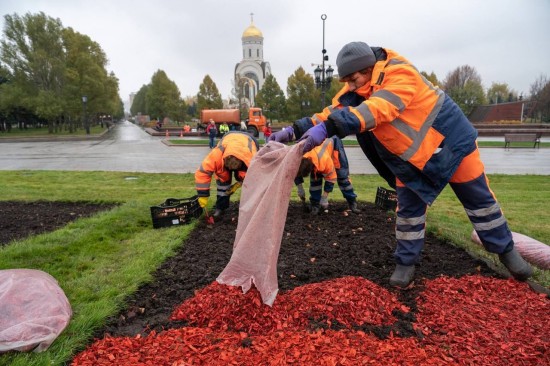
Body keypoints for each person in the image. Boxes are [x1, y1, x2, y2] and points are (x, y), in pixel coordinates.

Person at [269, 41, 533, 288]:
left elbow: (379, 109)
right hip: (411, 161)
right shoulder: (356, 90)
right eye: (346, 81)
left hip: (452, 144)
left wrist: (329, 128)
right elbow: (331, 112)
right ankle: (405, 264)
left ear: (369, 69)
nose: (349, 86)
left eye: (353, 79)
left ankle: (507, 253)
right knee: (408, 212)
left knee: (480, 201)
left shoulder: (400, 73)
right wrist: (292, 130)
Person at [195, 131, 259, 218]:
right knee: (223, 184)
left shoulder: (252, 159)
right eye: (230, 168)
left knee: (250, 186)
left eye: (235, 168)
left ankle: (250, 210)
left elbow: (257, 178)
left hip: (249, 140)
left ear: (241, 164)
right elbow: (203, 172)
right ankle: (221, 207)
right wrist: (203, 194)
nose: (232, 170)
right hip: (228, 138)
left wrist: (239, 183)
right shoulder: (216, 155)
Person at [295, 136, 360, 215]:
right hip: (318, 151)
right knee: (315, 179)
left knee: (342, 176)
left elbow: (331, 178)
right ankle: (315, 205)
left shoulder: (324, 161)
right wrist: (300, 188)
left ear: (311, 167)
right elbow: (296, 172)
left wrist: (324, 197)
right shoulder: (299, 158)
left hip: (334, 145)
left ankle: (352, 202)